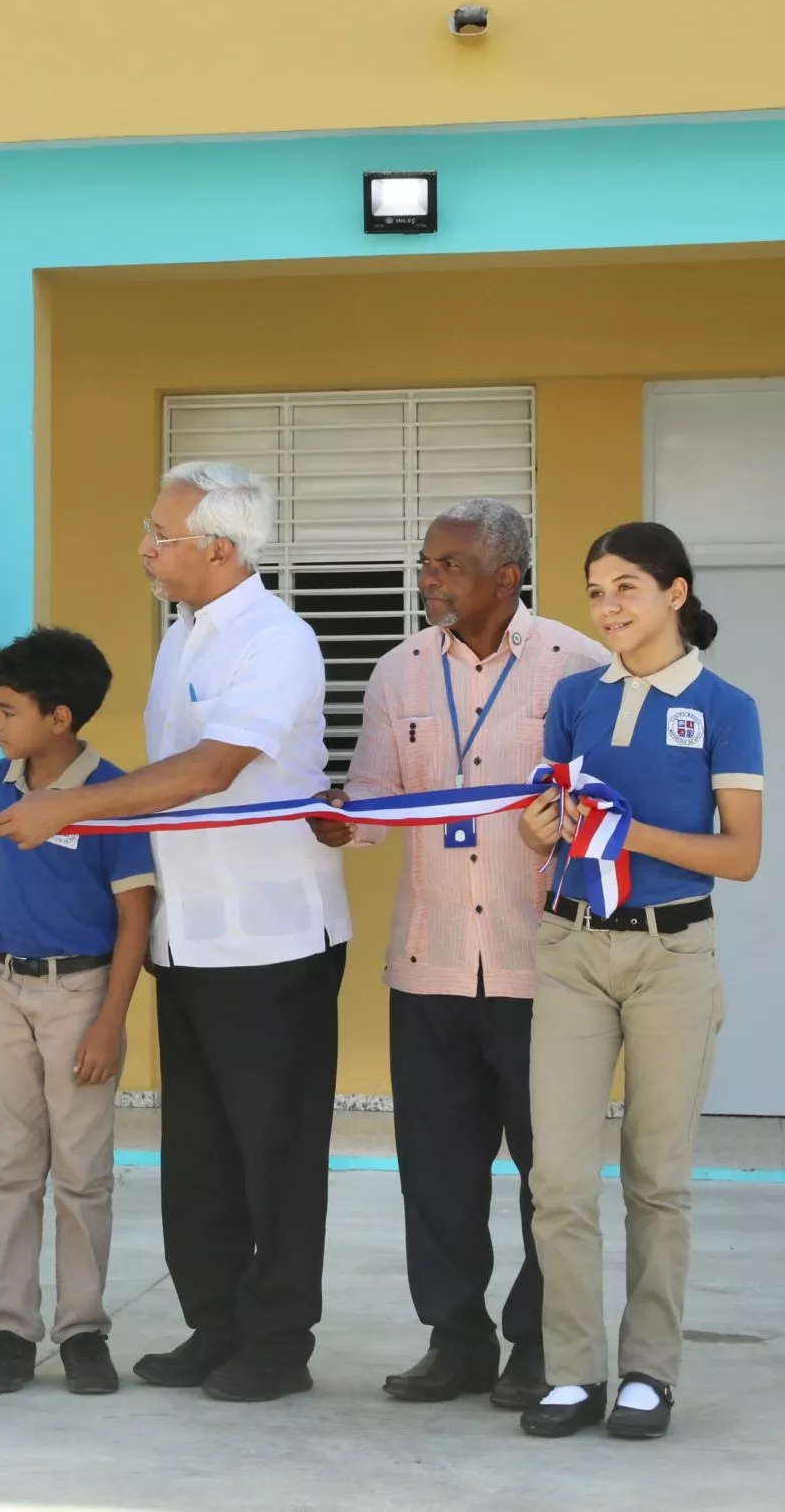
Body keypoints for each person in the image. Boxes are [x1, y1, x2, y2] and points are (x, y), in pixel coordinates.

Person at [0, 461, 349, 1405]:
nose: (146, 548)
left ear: (220, 549)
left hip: (269, 939)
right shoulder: (182, 637)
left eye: (162, 534)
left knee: (274, 1152)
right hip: (188, 939)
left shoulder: (278, 640)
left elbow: (209, 769)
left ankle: (277, 1342)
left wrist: (67, 806)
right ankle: (215, 1324)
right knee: (202, 1151)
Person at [310, 498, 605, 1411]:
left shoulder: (577, 667)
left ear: (509, 573)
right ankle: (456, 1337)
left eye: (449, 563)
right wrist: (338, 825)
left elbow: (600, 809)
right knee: (436, 1169)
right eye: (427, 561)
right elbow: (373, 797)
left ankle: (535, 1342)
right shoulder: (398, 671)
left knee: (545, 1169)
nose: (429, 577)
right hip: (429, 962)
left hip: (540, 962)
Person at [514, 521, 764, 1441]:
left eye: (626, 587)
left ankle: (650, 1371)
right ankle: (573, 1371)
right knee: (561, 1178)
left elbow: (741, 854)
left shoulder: (727, 706)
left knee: (657, 1178)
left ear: (675, 592)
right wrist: (541, 832)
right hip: (572, 949)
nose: (608, 607)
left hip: (672, 957)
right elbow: (547, 822)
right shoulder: (575, 697)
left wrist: (631, 834)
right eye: (595, 592)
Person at [0, 627, 153, 1398]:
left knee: (82, 1172)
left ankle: (82, 1328)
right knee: (8, 1167)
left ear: (59, 717)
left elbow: (135, 917)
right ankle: (9, 1326)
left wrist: (109, 1022)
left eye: (6, 710)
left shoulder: (113, 794)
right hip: (4, 991)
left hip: (80, 998)